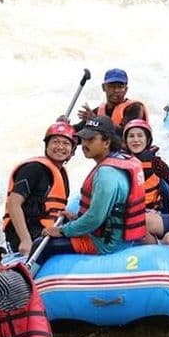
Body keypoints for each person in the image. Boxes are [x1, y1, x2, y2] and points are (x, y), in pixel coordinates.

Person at [30, 115, 147, 270]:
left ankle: (25, 288)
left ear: (106, 142)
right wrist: (75, 218)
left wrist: (62, 231)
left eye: (90, 140)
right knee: (66, 225)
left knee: (42, 245)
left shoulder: (107, 174)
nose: (84, 144)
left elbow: (94, 219)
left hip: (105, 244)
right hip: (117, 235)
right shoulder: (123, 158)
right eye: (83, 139)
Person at [2, 122, 74, 256]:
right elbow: (13, 203)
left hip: (45, 232)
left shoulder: (61, 173)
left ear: (72, 152)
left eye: (66, 143)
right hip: (26, 236)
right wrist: (25, 240)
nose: (60, 147)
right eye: (55, 142)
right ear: (47, 146)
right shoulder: (33, 169)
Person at [122, 118, 169, 213]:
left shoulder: (156, 163)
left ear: (147, 139)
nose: (136, 140)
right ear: (126, 141)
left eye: (140, 136)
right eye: (131, 136)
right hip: (126, 211)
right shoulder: (119, 161)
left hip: (151, 212)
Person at [76, 68, 149, 134]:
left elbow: (125, 132)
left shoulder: (135, 108)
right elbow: (77, 131)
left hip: (125, 148)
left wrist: (96, 121)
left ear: (126, 89)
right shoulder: (97, 112)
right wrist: (66, 126)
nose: (116, 90)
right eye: (111, 86)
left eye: (120, 87)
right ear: (104, 87)